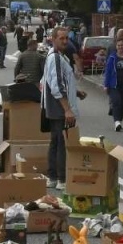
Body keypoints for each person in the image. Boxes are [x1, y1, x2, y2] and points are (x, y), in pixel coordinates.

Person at [41, 27, 81, 190]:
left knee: (55, 141)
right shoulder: (55, 58)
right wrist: (67, 109)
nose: (65, 41)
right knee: (61, 143)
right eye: (61, 38)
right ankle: (61, 179)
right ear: (53, 39)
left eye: (67, 38)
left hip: (55, 105)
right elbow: (56, 85)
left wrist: (76, 92)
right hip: (58, 107)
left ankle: (53, 177)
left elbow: (53, 81)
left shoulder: (58, 56)